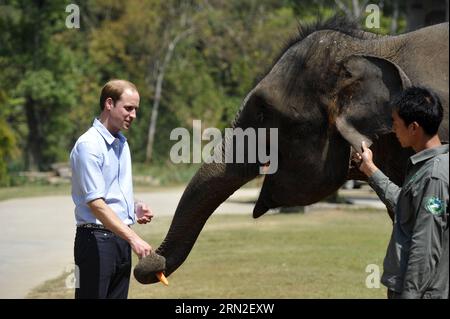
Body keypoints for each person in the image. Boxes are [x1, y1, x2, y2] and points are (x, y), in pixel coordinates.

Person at [355, 86, 448, 299]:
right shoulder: (428, 166)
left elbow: (425, 246)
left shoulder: (434, 176)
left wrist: (409, 295)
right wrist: (370, 169)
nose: (393, 130)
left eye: (395, 123)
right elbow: (405, 207)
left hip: (420, 292)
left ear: (413, 127)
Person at [70, 79, 154, 299]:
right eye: (128, 108)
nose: (133, 115)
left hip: (119, 240)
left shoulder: (122, 143)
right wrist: (134, 239)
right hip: (94, 242)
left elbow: (111, 194)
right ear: (109, 103)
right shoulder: (89, 146)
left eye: (135, 109)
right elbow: (97, 204)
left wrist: (134, 209)